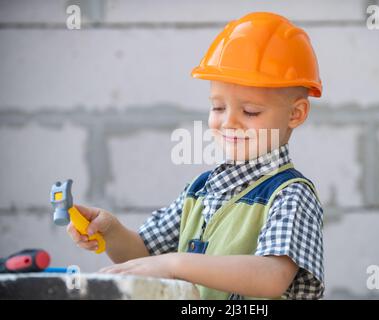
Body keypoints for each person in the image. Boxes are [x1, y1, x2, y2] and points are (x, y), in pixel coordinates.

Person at [68, 12, 324, 300]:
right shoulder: (200, 191)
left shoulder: (290, 195)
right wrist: (111, 231)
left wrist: (175, 264)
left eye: (250, 111)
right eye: (217, 107)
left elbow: (271, 277)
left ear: (296, 113)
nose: (229, 122)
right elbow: (145, 255)